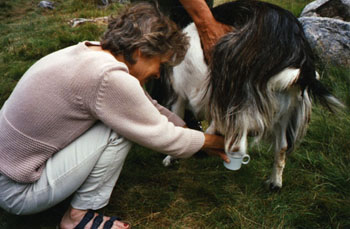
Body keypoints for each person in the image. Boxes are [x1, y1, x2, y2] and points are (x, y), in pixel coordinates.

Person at [0, 2, 228, 229]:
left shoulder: (93, 54)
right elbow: (161, 135)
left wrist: (186, 130)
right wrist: (215, 142)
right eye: (160, 64)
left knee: (127, 117)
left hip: (10, 170)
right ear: (140, 52)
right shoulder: (107, 77)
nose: (159, 74)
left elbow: (147, 106)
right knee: (120, 129)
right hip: (16, 190)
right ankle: (78, 217)